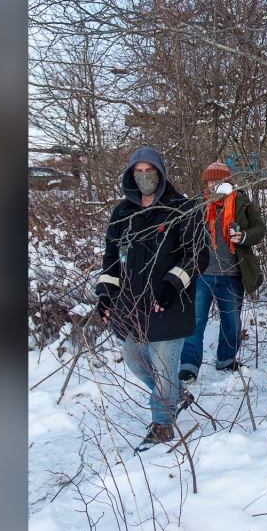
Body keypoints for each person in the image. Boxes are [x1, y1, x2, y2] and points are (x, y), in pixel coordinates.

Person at [94, 146, 206, 452]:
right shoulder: (122, 213)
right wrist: (105, 295)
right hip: (131, 307)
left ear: (161, 173)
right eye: (138, 171)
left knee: (165, 367)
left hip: (169, 305)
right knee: (135, 360)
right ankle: (175, 396)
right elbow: (110, 258)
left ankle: (162, 424)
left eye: (150, 171)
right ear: (131, 175)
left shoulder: (180, 208)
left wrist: (171, 285)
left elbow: (198, 255)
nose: (144, 177)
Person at [179, 161, 266, 382]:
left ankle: (226, 360)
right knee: (195, 321)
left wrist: (244, 236)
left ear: (228, 182)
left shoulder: (242, 203)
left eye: (217, 181)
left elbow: (259, 228)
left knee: (232, 322)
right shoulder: (197, 204)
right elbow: (181, 234)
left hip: (233, 274)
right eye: (209, 181)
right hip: (202, 274)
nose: (212, 185)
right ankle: (189, 365)